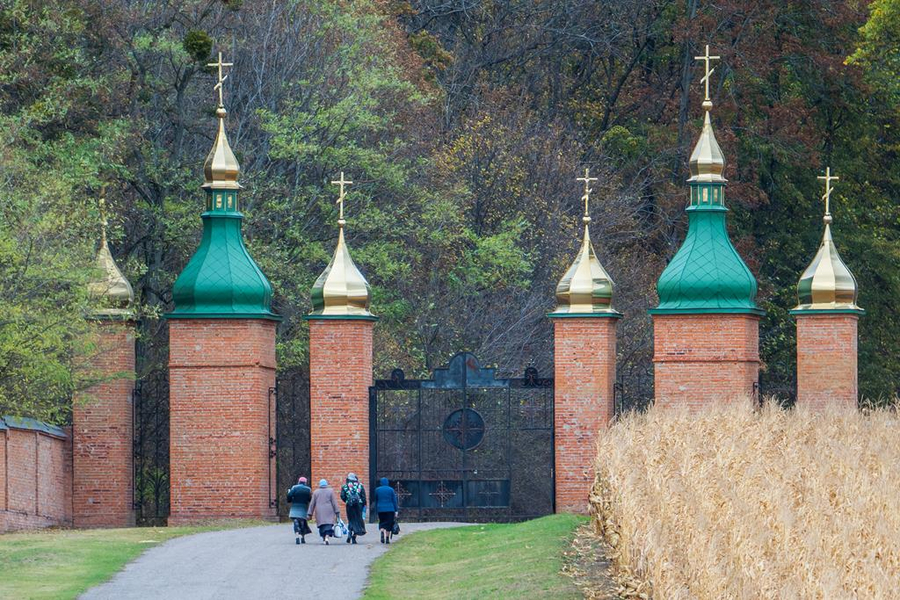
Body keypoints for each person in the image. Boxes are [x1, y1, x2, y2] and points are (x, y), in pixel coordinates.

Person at [307, 479, 339, 545]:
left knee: (322, 526)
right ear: (326, 484)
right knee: (328, 525)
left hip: (319, 511)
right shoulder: (330, 491)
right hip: (329, 510)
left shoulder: (316, 492)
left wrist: (309, 513)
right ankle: (327, 537)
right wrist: (337, 511)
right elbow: (334, 502)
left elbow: (312, 503)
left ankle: (324, 538)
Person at [339, 472, 367, 544]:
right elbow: (363, 497)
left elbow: (342, 496)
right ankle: (354, 537)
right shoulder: (360, 486)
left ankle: (349, 533)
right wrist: (363, 504)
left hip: (349, 506)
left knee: (350, 520)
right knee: (357, 521)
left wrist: (347, 501)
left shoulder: (345, 486)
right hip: (358, 506)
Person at [286, 476, 312, 544]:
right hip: (303, 508)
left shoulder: (294, 487)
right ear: (305, 482)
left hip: (295, 508)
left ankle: (297, 536)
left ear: (299, 482)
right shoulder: (308, 489)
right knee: (303, 523)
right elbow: (310, 499)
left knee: (296, 522)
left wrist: (289, 495)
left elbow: (289, 497)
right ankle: (303, 537)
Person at [373, 477, 399, 544]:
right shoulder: (391, 490)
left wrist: (376, 509)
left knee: (382, 522)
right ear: (387, 482)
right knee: (389, 523)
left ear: (381, 483)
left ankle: (382, 532)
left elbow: (376, 500)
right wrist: (396, 510)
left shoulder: (377, 490)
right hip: (390, 509)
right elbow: (394, 501)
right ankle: (387, 538)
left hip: (380, 509)